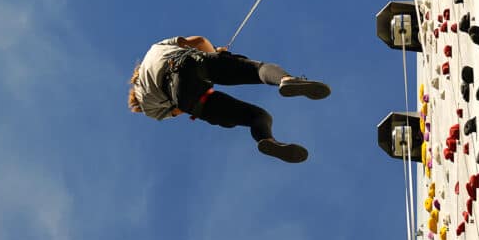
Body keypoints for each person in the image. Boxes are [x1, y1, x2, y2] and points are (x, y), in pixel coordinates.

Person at [128, 36, 330, 163]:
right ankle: (286, 80)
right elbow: (198, 41)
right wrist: (214, 53)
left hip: (188, 100)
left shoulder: (148, 108)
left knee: (257, 116)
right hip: (188, 65)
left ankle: (267, 140)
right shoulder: (155, 49)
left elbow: (178, 109)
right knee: (256, 70)